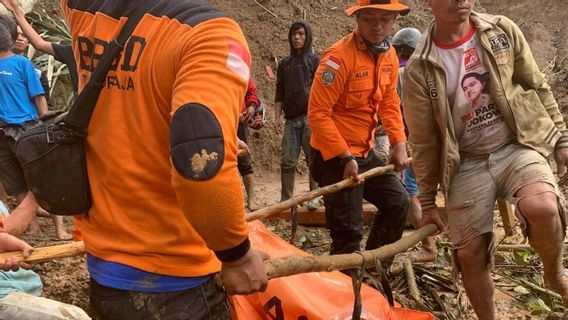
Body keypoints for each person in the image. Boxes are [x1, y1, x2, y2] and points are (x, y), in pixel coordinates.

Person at [60, 1, 267, 319]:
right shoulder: (210, 35)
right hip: (177, 278)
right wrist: (237, 255)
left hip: (105, 266)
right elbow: (199, 163)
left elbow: (136, 107)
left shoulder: (82, 9)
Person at [403, 0, 568, 318]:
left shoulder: (501, 31)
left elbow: (537, 84)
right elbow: (423, 142)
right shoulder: (420, 67)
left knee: (544, 206)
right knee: (469, 253)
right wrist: (425, 203)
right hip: (466, 162)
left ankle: (554, 270)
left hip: (515, 146)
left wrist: (561, 139)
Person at [308, 0, 411, 263]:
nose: (377, 26)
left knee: (399, 202)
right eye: (370, 19)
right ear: (358, 19)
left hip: (365, 153)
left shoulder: (389, 55)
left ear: (394, 20)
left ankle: (376, 268)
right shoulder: (337, 58)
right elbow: (318, 113)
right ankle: (346, 289)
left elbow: (389, 103)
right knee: (348, 232)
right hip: (334, 157)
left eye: (384, 20)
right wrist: (345, 156)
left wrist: (399, 142)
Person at [390, 27, 437, 263]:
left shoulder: (400, 72)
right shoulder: (430, 69)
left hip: (413, 141)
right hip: (436, 141)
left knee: (412, 193)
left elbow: (396, 110)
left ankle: (429, 247)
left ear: (400, 50)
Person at [0, 16, 49, 239]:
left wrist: (47, 125)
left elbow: (38, 97)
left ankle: (58, 225)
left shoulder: (22, 64)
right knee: (16, 181)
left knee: (39, 177)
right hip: (2, 133)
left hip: (26, 129)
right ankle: (33, 227)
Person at [275, 20, 321, 209]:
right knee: (287, 161)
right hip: (291, 120)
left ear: (307, 36)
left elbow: (322, 89)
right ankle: (286, 200)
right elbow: (280, 91)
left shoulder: (314, 60)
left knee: (314, 159)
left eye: (301, 34)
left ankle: (315, 197)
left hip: (311, 118)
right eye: (294, 34)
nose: (296, 37)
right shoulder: (284, 64)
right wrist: (277, 116)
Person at [238, 77, 260, 211]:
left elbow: (251, 91)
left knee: (245, 159)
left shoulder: (240, 67)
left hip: (240, 121)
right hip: (219, 119)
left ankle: (252, 199)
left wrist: (251, 106)